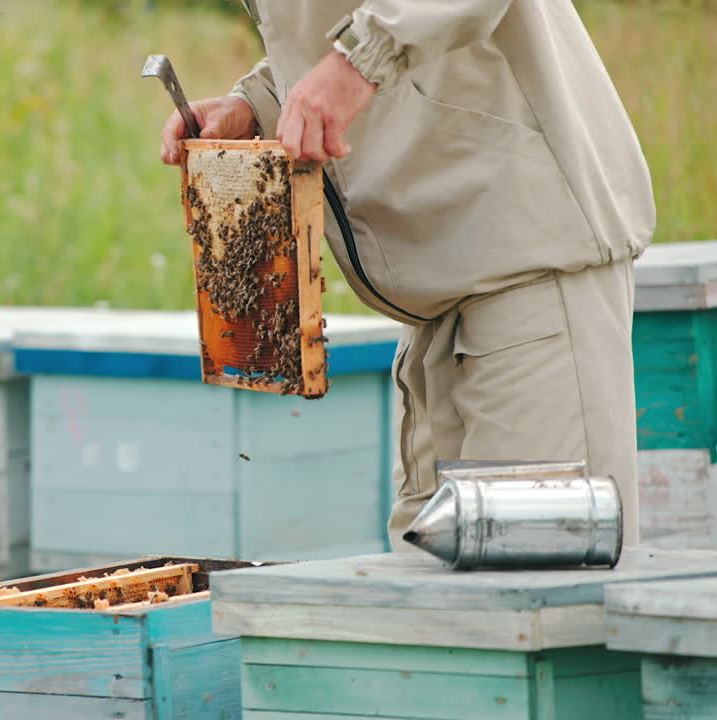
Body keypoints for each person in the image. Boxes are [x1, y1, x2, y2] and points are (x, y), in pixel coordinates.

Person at [160, 1, 655, 547]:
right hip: (432, 300)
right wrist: (260, 103)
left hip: (529, 267)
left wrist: (361, 59)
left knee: (537, 595)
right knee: (427, 606)